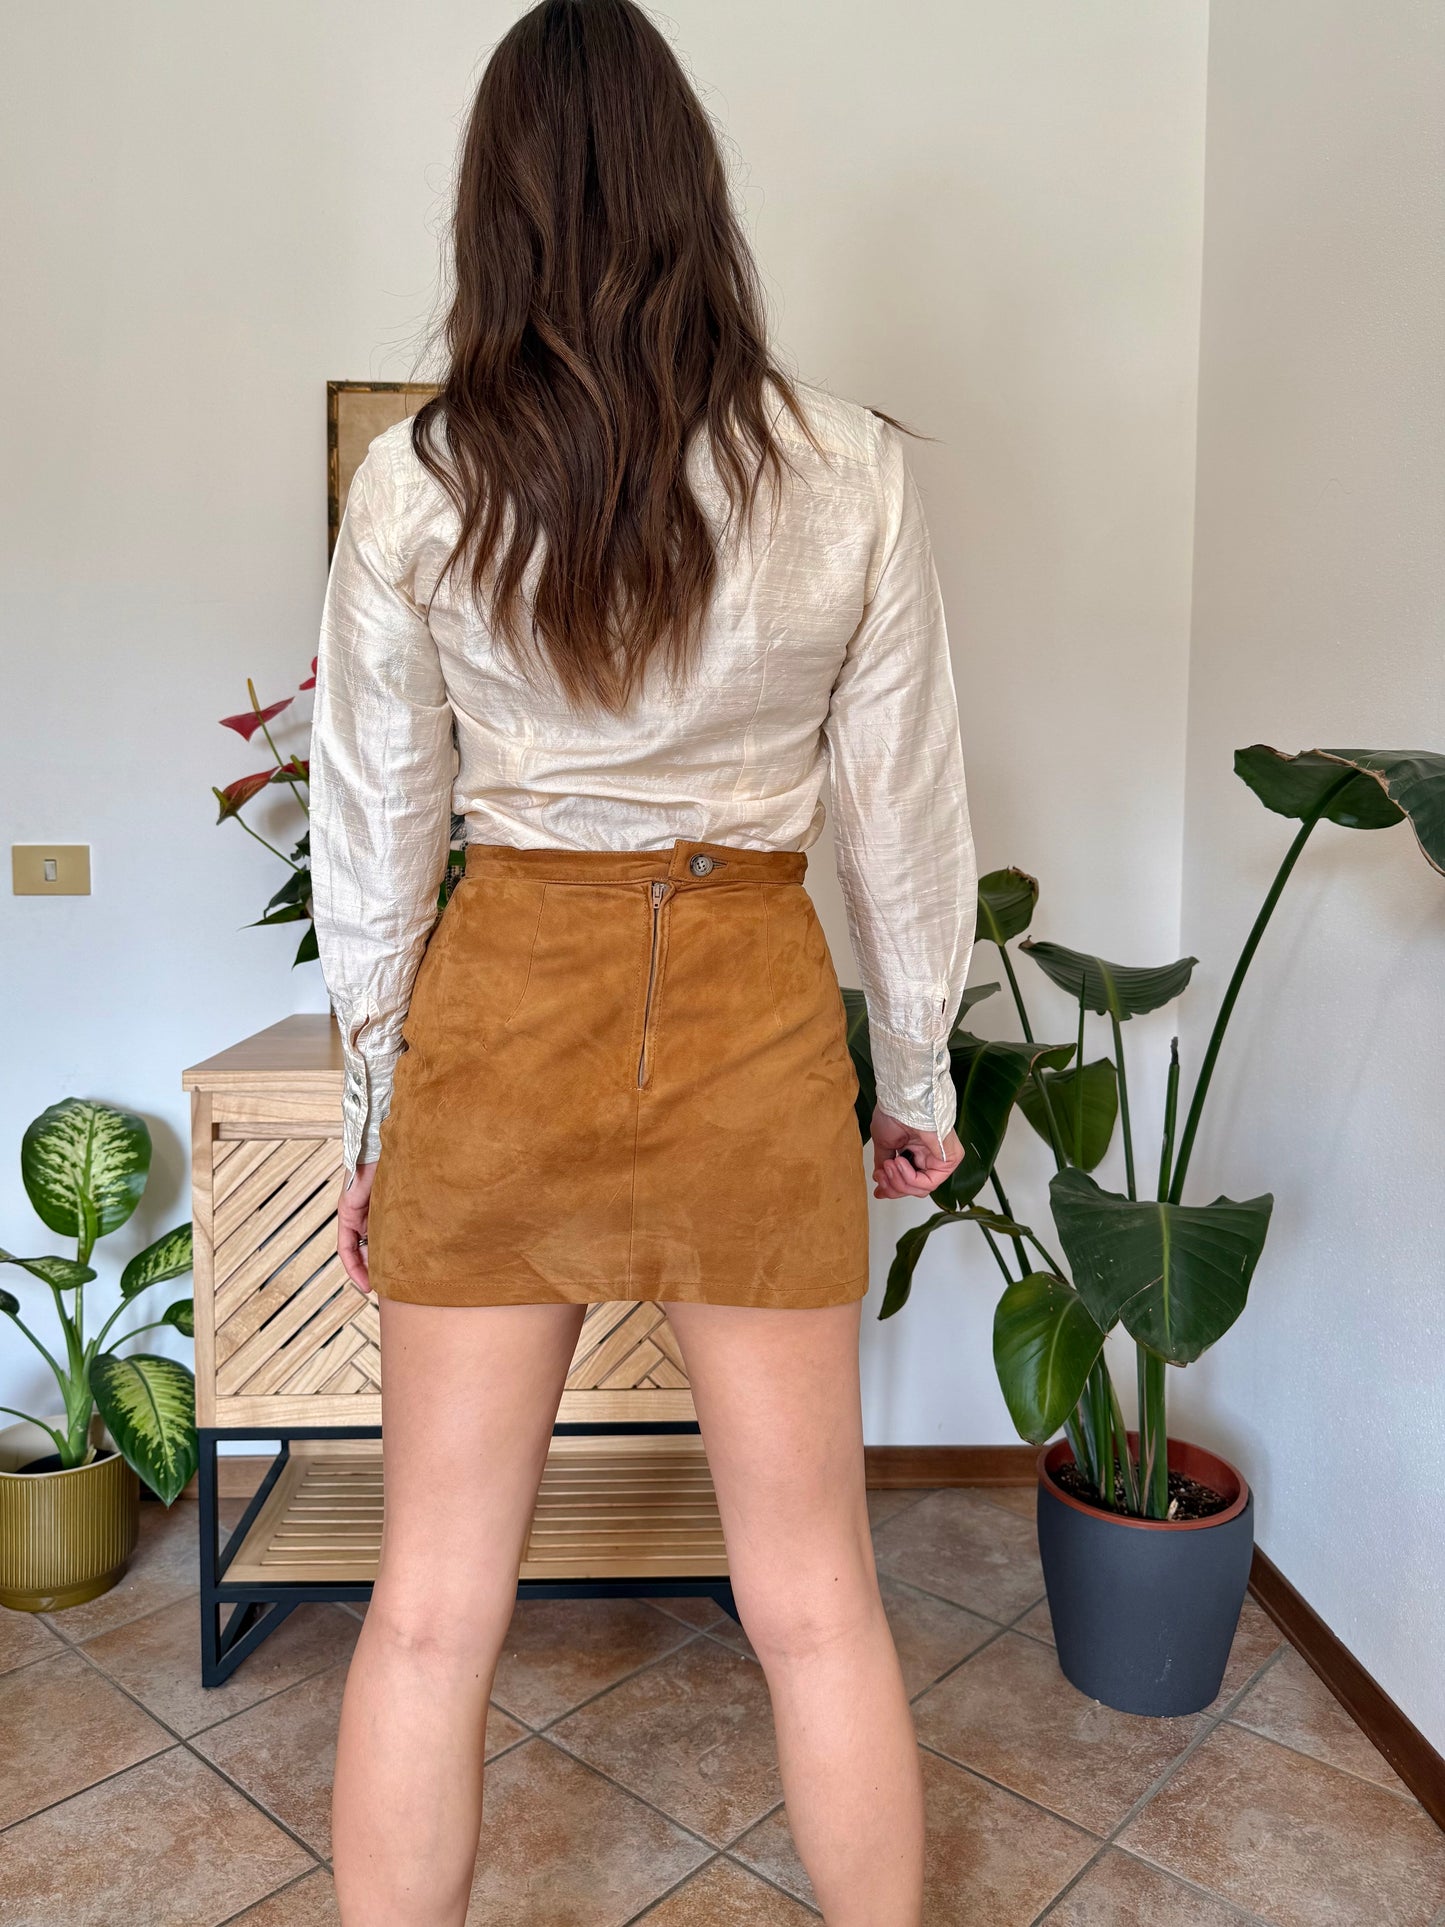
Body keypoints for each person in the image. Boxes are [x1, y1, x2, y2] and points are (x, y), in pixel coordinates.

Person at [309, 3, 975, 1921]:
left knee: (430, 1610)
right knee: (818, 1604)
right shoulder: (845, 468)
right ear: (700, 196)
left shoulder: (424, 482)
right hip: (757, 1015)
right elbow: (905, 810)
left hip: (506, 1008)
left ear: (489, 211)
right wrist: (914, 1080)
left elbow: (376, 831)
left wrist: (378, 1101)